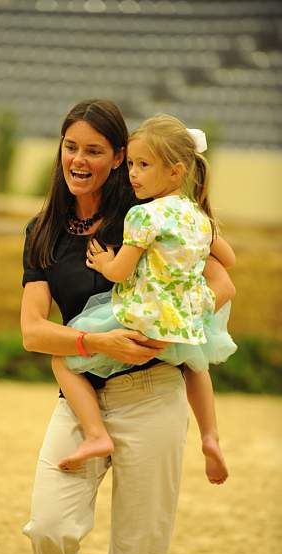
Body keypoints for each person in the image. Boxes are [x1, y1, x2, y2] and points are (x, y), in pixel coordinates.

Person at [21, 99, 235, 554]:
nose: (78, 159)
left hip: (153, 393)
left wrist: (173, 327)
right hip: (81, 395)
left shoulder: (148, 212)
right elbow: (33, 330)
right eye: (70, 146)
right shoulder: (42, 230)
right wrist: (99, 341)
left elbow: (222, 279)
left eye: (94, 150)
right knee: (49, 529)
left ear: (118, 157)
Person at [52, 114, 237, 486]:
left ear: (175, 171)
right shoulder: (200, 217)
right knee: (194, 361)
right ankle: (210, 435)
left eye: (143, 165)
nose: (133, 174)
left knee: (63, 354)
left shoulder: (143, 215)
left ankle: (94, 433)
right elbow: (228, 261)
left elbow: (120, 272)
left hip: (145, 314)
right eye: (132, 163)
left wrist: (104, 261)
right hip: (186, 318)